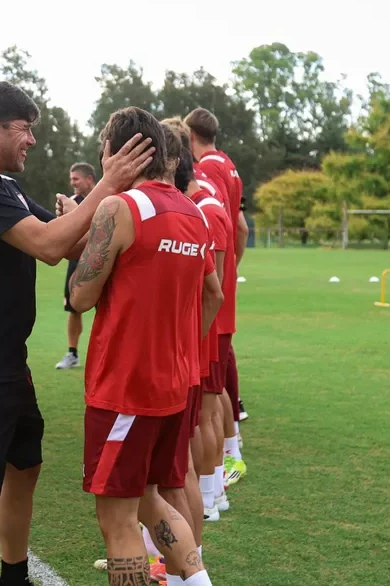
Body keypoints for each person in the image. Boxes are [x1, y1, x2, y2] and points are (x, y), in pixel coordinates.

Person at [0, 80, 153, 586]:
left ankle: (15, 576)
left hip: (6, 365)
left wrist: (102, 216)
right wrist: (105, 185)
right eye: (24, 130)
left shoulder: (3, 185)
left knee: (24, 469)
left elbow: (71, 245)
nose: (31, 140)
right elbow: (50, 246)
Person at [69, 107, 222, 586]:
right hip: (174, 383)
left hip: (125, 387)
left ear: (119, 153)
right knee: (151, 499)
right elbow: (212, 294)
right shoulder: (192, 212)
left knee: (117, 518)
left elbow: (80, 295)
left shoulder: (120, 209)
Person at [184, 108, 248, 497]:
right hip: (220, 287)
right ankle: (231, 454)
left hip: (210, 297)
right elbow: (238, 225)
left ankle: (211, 490)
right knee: (218, 380)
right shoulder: (227, 163)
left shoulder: (207, 173)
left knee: (206, 399)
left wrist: (221, 271)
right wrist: (230, 268)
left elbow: (226, 226)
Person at [55, 162, 98, 370]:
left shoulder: (107, 199)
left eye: (76, 179)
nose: (72, 183)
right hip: (76, 263)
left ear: (89, 179)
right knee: (73, 309)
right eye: (71, 179)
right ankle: (72, 354)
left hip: (101, 260)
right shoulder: (69, 203)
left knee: (107, 308)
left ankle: (104, 353)